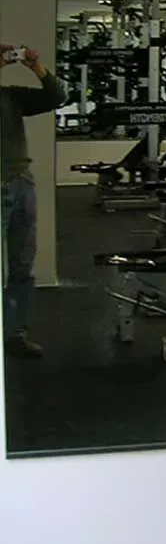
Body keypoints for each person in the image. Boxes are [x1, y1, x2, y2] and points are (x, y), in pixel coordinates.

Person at [1, 45, 66, 358]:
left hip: (20, 182)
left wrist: (35, 67)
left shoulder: (11, 96)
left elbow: (56, 98)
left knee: (22, 265)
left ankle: (14, 333)